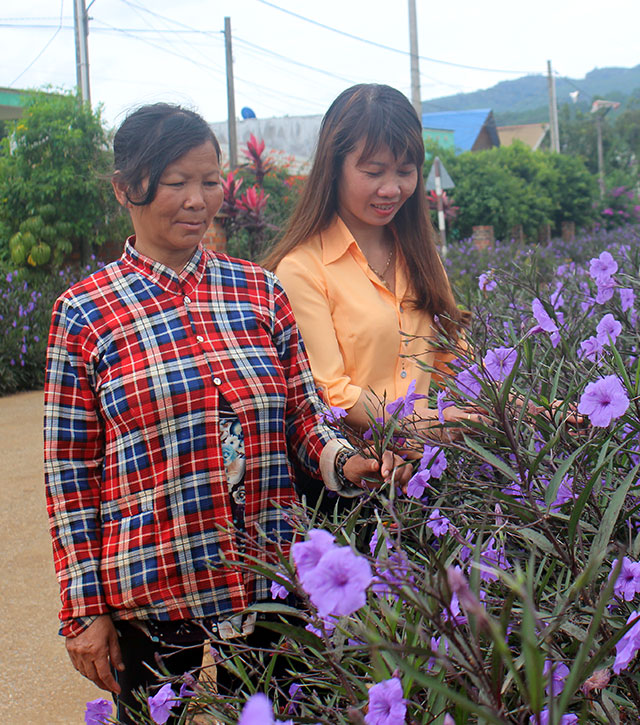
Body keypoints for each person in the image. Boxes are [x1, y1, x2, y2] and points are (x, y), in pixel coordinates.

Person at [43, 103, 407, 722]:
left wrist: (348, 464)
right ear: (127, 188)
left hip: (270, 580)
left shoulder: (257, 291)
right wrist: (83, 610)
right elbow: (70, 475)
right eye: (177, 182)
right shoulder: (85, 314)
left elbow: (303, 415)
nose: (197, 200)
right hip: (154, 586)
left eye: (209, 181)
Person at [262, 84, 476, 438]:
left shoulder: (421, 258)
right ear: (333, 168)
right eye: (374, 172)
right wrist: (434, 425)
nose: (391, 189)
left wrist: (532, 409)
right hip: (355, 479)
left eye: (405, 171)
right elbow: (331, 394)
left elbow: (457, 364)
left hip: (428, 474)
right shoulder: (302, 269)